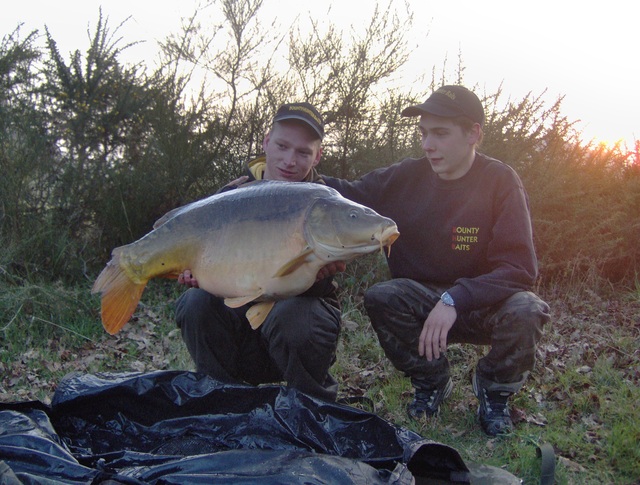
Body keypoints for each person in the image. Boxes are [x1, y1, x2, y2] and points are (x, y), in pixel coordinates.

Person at [323, 85, 550, 435]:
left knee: (528, 309)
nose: (428, 145)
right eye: (424, 133)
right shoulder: (405, 176)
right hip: (422, 301)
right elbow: (345, 192)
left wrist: (455, 298)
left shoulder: (500, 181)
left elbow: (520, 269)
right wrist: (281, 176)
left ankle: (493, 392)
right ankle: (432, 381)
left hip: (483, 302)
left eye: (440, 134)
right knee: (382, 297)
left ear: (474, 133)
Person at [175, 102, 345, 402]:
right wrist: (195, 273)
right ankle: (222, 398)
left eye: (303, 153)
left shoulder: (326, 205)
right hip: (241, 330)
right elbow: (203, 259)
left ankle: (312, 406)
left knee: (296, 317)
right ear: (267, 142)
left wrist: (319, 276)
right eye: (282, 146)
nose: (289, 160)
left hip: (294, 326)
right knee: (195, 303)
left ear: (317, 156)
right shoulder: (232, 196)